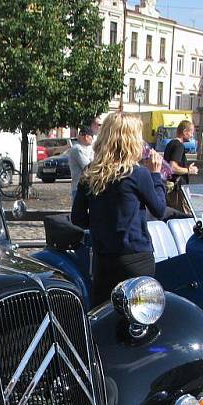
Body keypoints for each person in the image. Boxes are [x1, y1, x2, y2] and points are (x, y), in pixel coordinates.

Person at [71, 113, 167, 306]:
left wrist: (102, 224)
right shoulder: (138, 174)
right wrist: (156, 176)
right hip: (135, 257)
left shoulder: (91, 172)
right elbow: (159, 210)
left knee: (103, 317)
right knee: (138, 322)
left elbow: (78, 218)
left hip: (103, 258)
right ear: (131, 141)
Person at [163, 120, 198, 210]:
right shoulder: (179, 146)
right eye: (191, 132)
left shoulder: (170, 144)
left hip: (171, 187)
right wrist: (189, 170)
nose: (192, 135)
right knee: (185, 215)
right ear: (184, 132)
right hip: (178, 188)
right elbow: (172, 167)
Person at [68, 126, 94, 199]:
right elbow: (87, 166)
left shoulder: (87, 149)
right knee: (79, 210)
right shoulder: (77, 149)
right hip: (78, 188)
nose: (92, 140)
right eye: (92, 137)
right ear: (86, 136)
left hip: (86, 187)